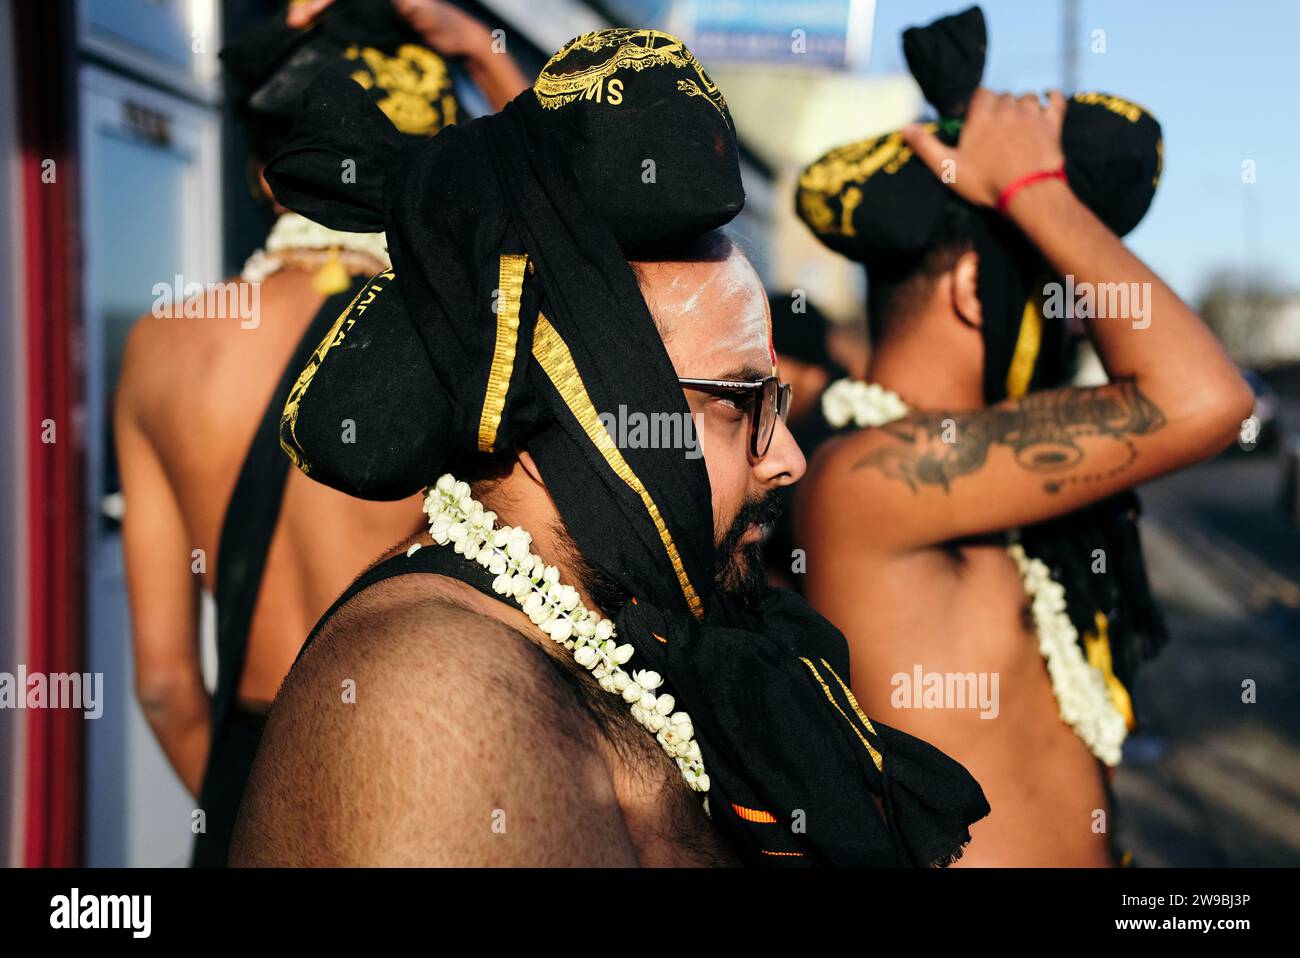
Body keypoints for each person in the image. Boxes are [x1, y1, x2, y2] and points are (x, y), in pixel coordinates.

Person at [230, 27, 989, 867]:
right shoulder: (434, 693)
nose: (789, 460)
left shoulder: (635, 633)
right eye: (742, 407)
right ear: (578, 406)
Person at [794, 7, 1253, 865]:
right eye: (1054, 287)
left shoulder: (984, 483)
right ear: (975, 288)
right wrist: (1030, 190)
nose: (1080, 319)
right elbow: (1203, 397)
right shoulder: (864, 478)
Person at [114, 0, 528, 866]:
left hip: (252, 775)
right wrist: (482, 55)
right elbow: (586, 233)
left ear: (269, 175)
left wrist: (264, 819)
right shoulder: (468, 335)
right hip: (433, 772)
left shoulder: (162, 347)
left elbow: (162, 685)